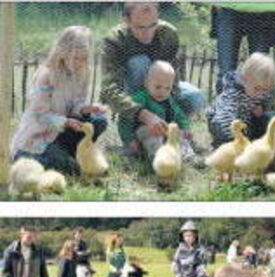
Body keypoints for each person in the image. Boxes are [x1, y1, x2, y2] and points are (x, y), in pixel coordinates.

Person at [100, 2, 204, 156]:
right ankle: (138, 133)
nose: (148, 33)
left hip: (162, 94)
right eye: (140, 27)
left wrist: (173, 118)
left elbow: (173, 81)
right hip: (133, 98)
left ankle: (168, 131)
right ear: (126, 20)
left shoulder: (168, 34)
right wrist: (144, 113)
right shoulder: (115, 40)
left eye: (152, 25)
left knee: (195, 97)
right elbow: (109, 90)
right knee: (139, 63)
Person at [10, 26, 108, 175]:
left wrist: (87, 108)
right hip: (39, 135)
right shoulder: (47, 75)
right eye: (76, 58)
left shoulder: (82, 72)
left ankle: (74, 152)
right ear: (63, 52)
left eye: (85, 58)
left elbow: (75, 104)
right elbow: (39, 114)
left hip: (61, 130)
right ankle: (29, 156)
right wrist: (66, 122)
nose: (80, 62)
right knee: (71, 169)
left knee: (99, 121)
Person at [209, 3, 275, 93]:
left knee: (260, 71)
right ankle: (226, 108)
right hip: (229, 9)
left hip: (260, 12)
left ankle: (256, 107)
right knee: (226, 72)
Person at [117, 60, 199, 163]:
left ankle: (187, 156)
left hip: (164, 131)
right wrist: (129, 140)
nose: (162, 92)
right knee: (152, 137)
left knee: (179, 136)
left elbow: (180, 115)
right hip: (144, 133)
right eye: (158, 87)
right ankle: (159, 157)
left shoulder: (169, 100)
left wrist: (185, 128)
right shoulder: (140, 98)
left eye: (167, 88)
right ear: (146, 83)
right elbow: (124, 120)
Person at [206, 52, 275, 148]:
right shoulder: (233, 94)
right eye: (257, 89)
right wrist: (237, 140)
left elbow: (263, 106)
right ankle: (223, 146)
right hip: (222, 121)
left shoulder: (259, 91)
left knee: (269, 118)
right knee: (224, 127)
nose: (261, 93)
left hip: (244, 121)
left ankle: (263, 143)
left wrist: (261, 110)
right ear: (244, 80)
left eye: (265, 90)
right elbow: (224, 119)